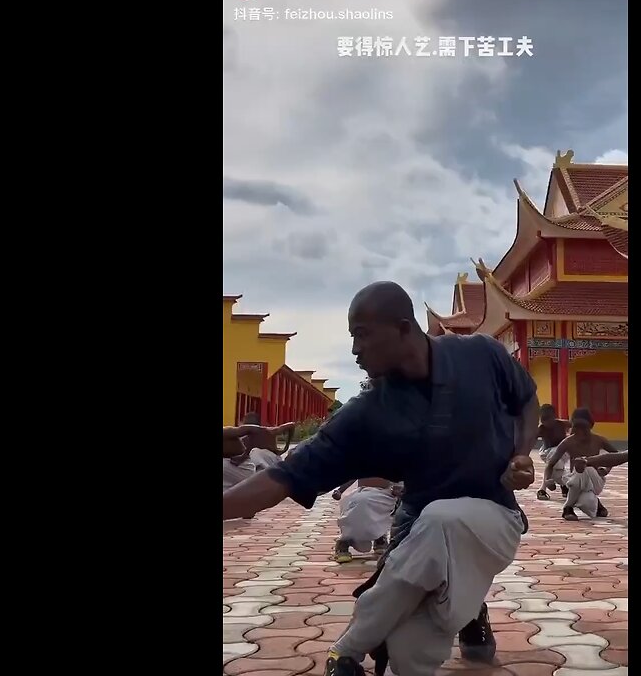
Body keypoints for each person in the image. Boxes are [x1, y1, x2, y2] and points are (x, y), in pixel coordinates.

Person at [222, 281, 539, 676]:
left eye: (363, 335)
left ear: (404, 328)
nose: (355, 350)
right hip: (418, 534)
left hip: (496, 518)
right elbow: (284, 476)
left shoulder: (481, 354)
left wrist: (523, 452)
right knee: (404, 654)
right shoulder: (367, 415)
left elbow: (526, 400)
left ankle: (349, 647)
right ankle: (460, 606)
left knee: (444, 520)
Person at [545, 408, 619, 521]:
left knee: (585, 467)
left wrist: (606, 468)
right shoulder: (568, 442)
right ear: (573, 427)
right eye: (577, 427)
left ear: (590, 426)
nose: (581, 431)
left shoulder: (598, 440)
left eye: (584, 427)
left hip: (595, 480)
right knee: (586, 501)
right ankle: (596, 504)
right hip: (574, 480)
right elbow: (550, 464)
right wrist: (548, 480)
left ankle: (568, 507)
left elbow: (616, 456)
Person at [331, 478, 401, 562]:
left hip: (386, 494)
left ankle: (379, 536)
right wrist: (340, 490)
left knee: (382, 512)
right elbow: (352, 475)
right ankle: (344, 541)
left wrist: (399, 487)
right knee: (359, 503)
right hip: (363, 491)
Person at [222, 413, 295, 493]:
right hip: (240, 467)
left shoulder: (264, 432)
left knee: (256, 453)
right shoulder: (243, 438)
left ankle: (269, 479)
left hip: (248, 467)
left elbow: (291, 425)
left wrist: (244, 455)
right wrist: (284, 449)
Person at [534, 405, 570, 500]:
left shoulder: (561, 424)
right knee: (554, 465)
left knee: (555, 466)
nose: (546, 422)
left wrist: (570, 435)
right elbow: (530, 440)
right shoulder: (541, 429)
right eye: (543, 419)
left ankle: (543, 489)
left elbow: (575, 425)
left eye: (548, 419)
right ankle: (563, 485)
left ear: (554, 416)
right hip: (547, 452)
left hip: (563, 452)